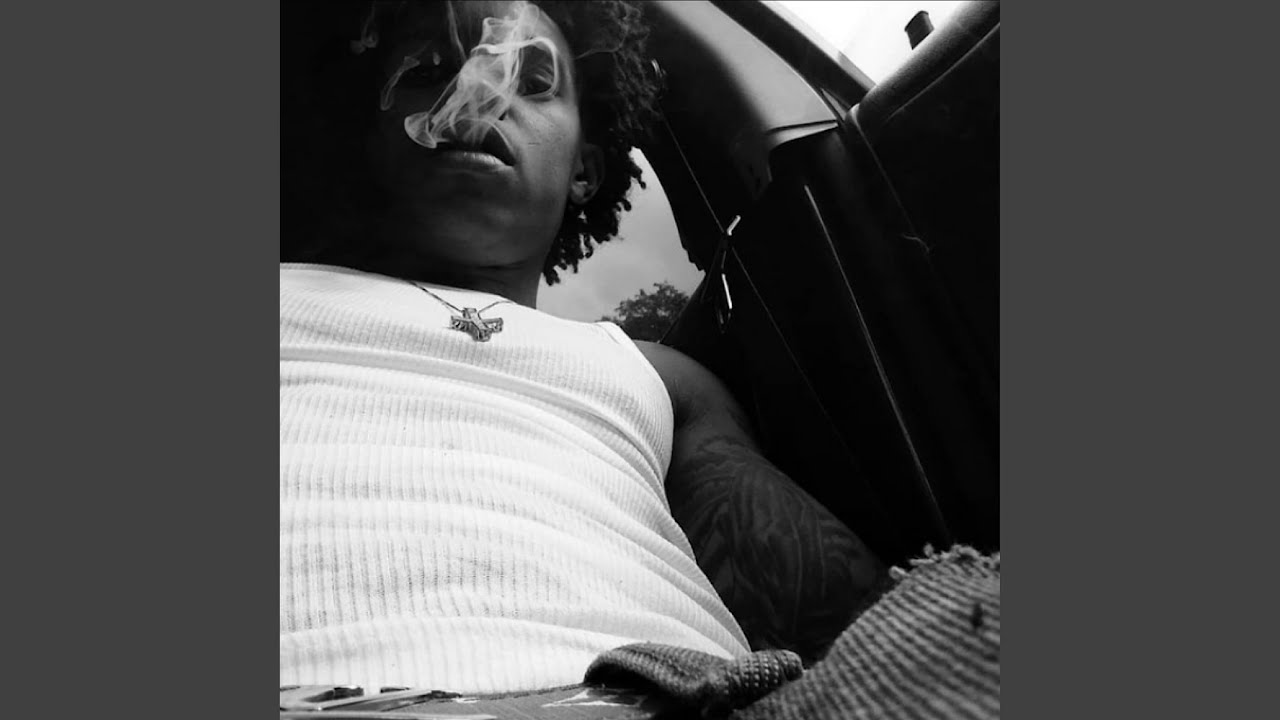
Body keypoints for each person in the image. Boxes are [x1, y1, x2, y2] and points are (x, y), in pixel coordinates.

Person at [280, 0, 885, 694]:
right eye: (428, 69)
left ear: (584, 172)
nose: (478, 89)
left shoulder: (659, 378)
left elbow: (853, 636)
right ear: (371, 137)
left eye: (534, 81)